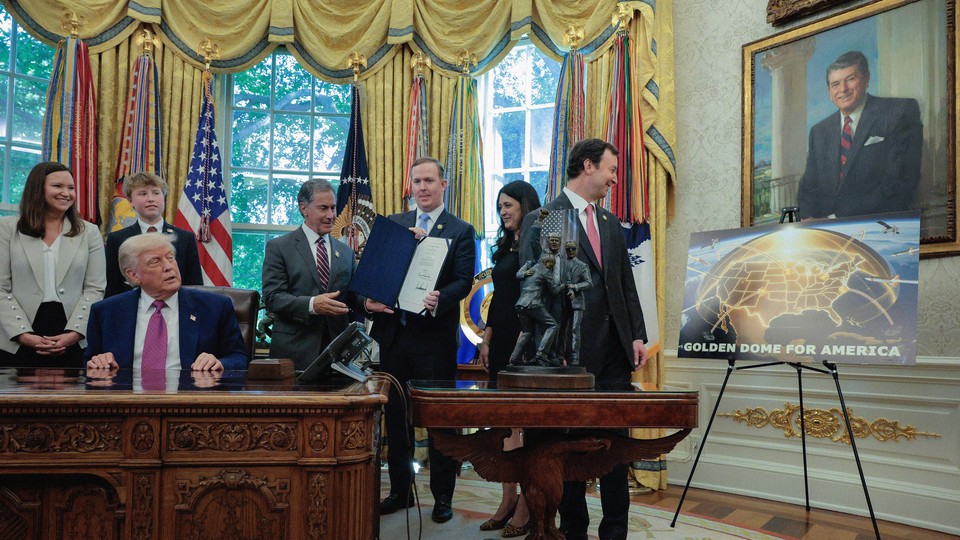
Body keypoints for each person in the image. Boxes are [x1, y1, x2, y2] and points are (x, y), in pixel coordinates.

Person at [518, 138, 648, 540]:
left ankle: (615, 531)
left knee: (615, 444)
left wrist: (638, 335)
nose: (614, 178)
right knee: (570, 445)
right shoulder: (547, 217)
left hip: (614, 351)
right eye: (610, 169)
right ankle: (574, 529)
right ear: (588, 166)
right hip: (568, 354)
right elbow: (534, 288)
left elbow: (624, 284)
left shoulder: (609, 223)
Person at [367, 157, 476, 524]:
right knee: (395, 420)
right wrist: (370, 299)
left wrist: (441, 298)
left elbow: (464, 280)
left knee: (440, 420)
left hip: (434, 340)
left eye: (430, 180)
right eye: (417, 181)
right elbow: (376, 271)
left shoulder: (460, 229)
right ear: (410, 186)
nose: (423, 187)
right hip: (394, 337)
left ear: (444, 185)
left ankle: (443, 497)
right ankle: (400, 491)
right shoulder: (394, 225)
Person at [476, 180, 540, 536]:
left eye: (509, 205)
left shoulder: (539, 244)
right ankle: (507, 500)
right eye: (500, 206)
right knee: (502, 423)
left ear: (525, 206)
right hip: (500, 343)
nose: (503, 212)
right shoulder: (504, 247)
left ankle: (527, 506)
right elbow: (499, 299)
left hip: (528, 343)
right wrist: (486, 339)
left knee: (524, 425)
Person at [84, 233, 247, 371]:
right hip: (128, 401)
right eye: (155, 262)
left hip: (190, 400)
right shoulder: (106, 312)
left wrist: (219, 363)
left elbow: (239, 358)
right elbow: (89, 361)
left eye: (170, 258)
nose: (169, 266)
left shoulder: (215, 307)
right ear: (133, 275)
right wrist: (99, 362)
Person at [0, 161, 105, 368]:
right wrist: (22, 334)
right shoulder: (7, 228)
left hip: (72, 332)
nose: (66, 193)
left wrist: (75, 332)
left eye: (71, 188)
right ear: (38, 189)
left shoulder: (89, 232)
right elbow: (1, 288)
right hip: (17, 333)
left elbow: (95, 288)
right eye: (58, 186)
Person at [796, 50, 923, 219]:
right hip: (826, 235)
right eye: (835, 84)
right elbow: (808, 188)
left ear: (866, 80)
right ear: (829, 92)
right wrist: (810, 223)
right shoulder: (819, 131)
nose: (843, 89)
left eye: (850, 79)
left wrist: (835, 218)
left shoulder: (899, 112)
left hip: (882, 226)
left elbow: (900, 181)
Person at [262, 179, 367, 371]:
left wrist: (367, 304)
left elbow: (350, 297)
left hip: (337, 356)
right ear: (304, 208)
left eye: (333, 208)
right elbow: (272, 298)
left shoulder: (346, 253)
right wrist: (312, 305)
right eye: (323, 208)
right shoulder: (279, 248)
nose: (331, 215)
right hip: (293, 355)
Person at [104, 172, 202, 298]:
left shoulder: (185, 238)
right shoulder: (117, 239)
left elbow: (195, 286)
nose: (151, 199)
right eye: (143, 194)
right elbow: (112, 287)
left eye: (156, 193)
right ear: (130, 201)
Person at [509, 253, 561, 366]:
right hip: (533, 303)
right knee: (553, 325)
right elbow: (554, 290)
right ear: (547, 262)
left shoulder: (533, 267)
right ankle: (542, 353)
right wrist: (563, 285)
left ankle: (515, 357)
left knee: (527, 331)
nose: (552, 267)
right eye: (552, 264)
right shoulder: (545, 271)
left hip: (521, 304)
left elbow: (518, 275)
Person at [560, 241, 592, 366]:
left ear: (577, 249)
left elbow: (589, 283)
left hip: (577, 302)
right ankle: (560, 355)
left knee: (574, 329)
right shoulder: (561, 264)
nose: (571, 251)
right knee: (562, 329)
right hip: (563, 301)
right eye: (568, 249)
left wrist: (574, 286)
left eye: (573, 249)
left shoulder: (582, 266)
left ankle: (575, 358)